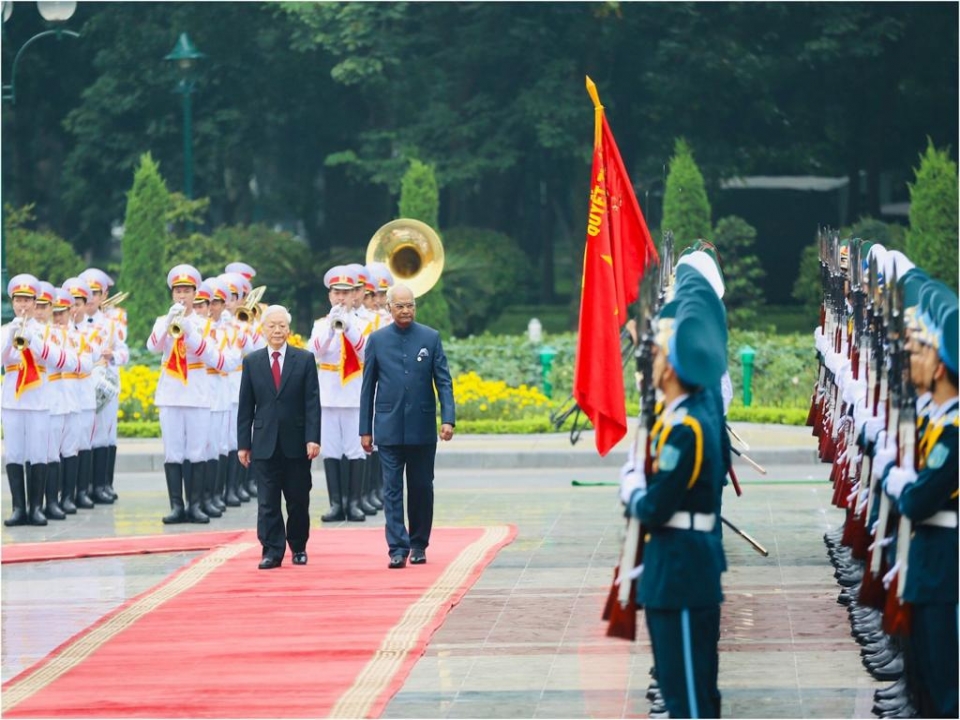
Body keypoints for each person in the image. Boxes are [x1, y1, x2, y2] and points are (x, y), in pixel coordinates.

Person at [619, 271, 728, 719]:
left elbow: (656, 506)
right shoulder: (678, 421)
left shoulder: (686, 431)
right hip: (676, 564)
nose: (652, 362)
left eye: (659, 353)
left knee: (689, 698)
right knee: (684, 686)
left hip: (683, 567)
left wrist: (632, 492)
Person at [359, 283, 455, 569]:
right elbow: (367, 388)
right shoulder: (376, 340)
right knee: (391, 490)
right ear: (389, 308)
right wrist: (365, 429)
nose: (405, 310)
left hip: (422, 428)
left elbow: (444, 382)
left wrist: (448, 419)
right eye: (400, 306)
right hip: (388, 427)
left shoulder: (430, 337)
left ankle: (418, 544)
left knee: (422, 487)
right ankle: (397, 548)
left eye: (410, 305)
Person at [237, 305, 321, 569]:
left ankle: (298, 546)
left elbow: (312, 403)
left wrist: (313, 438)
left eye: (281, 325)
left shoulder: (304, 359)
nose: (277, 330)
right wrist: (243, 444)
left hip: (296, 443)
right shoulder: (252, 362)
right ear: (263, 330)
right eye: (271, 325)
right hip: (263, 443)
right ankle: (272, 550)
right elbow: (245, 406)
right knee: (267, 501)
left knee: (298, 499)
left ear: (289, 329)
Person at [309, 265, 369, 522]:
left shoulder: (364, 323)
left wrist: (349, 328)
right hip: (329, 394)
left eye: (345, 292)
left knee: (355, 450)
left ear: (354, 294)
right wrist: (332, 329)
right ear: (330, 295)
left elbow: (366, 352)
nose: (341, 298)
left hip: (354, 393)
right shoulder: (321, 324)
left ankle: (354, 503)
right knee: (331, 449)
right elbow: (314, 351)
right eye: (336, 292)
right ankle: (337, 503)